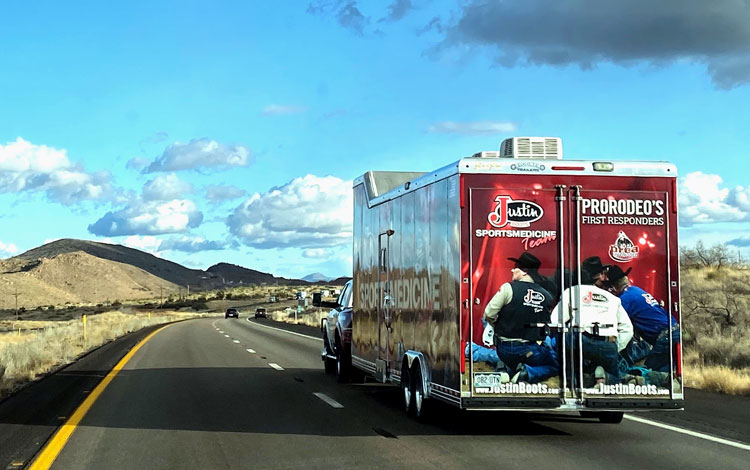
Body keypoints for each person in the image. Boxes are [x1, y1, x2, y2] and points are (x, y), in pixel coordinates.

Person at [552, 256, 633, 385]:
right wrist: (614, 347)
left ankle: (572, 382)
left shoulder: (572, 292)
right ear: (599, 276)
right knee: (613, 385)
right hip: (606, 344)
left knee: (570, 368)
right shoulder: (612, 298)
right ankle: (605, 378)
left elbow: (556, 320)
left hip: (578, 341)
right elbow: (628, 329)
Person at [482, 252, 558, 384]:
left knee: (506, 356)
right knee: (555, 365)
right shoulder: (546, 296)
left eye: (515, 267)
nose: (512, 269)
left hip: (504, 349)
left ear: (524, 271)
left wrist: (497, 325)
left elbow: (488, 314)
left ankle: (503, 369)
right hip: (530, 350)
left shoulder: (508, 288)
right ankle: (527, 373)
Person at [606, 265, 680, 373]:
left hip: (664, 336)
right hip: (673, 330)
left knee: (647, 373)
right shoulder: (636, 290)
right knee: (664, 372)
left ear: (613, 287)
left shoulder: (624, 300)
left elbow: (616, 322)